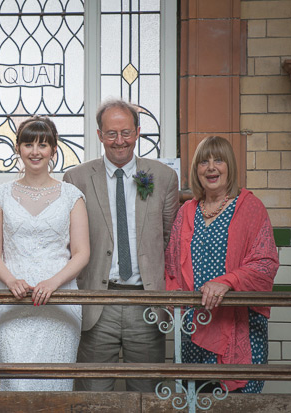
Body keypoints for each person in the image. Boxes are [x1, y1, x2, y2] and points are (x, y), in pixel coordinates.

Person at [63, 99, 179, 392]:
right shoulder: (76, 179)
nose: (119, 141)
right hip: (97, 302)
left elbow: (169, 238)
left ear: (138, 132)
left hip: (146, 303)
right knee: (93, 392)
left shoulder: (162, 177)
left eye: (126, 132)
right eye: (111, 133)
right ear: (100, 135)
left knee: (146, 391)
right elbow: (69, 242)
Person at [165, 136, 279, 393]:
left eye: (219, 160)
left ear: (230, 166)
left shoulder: (250, 207)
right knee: (194, 401)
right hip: (194, 326)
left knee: (238, 404)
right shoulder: (186, 211)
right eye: (203, 162)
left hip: (239, 325)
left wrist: (227, 281)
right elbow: (172, 264)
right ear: (197, 170)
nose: (211, 167)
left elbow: (266, 262)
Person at [0, 116, 90, 391]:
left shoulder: (72, 195)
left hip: (60, 301)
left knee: (55, 386)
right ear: (18, 148)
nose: (35, 151)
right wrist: (10, 280)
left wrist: (54, 283)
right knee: (17, 385)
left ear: (54, 150)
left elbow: (81, 253)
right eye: (28, 144)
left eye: (43, 145)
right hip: (13, 300)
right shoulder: (0, 195)